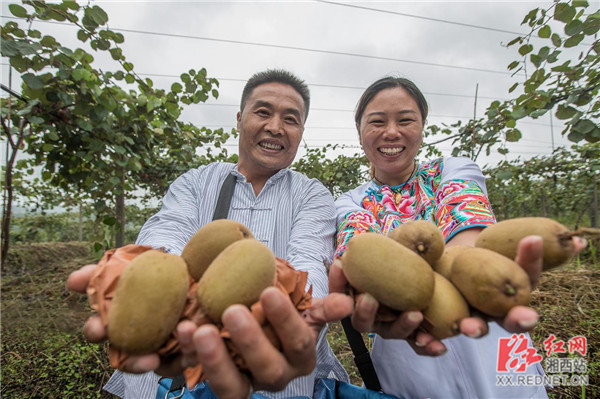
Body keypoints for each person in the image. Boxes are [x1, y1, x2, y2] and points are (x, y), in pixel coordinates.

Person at [67, 69, 355, 399]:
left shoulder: (312, 195)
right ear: (239, 119)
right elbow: (167, 233)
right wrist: (152, 280)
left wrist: (298, 314)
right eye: (263, 112)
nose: (275, 127)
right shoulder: (195, 182)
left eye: (291, 119)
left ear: (301, 131)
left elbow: (310, 262)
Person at [328, 76, 587, 398]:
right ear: (360, 132)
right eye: (377, 122)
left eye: (405, 120)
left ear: (422, 128)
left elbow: (469, 233)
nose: (391, 132)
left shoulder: (453, 169)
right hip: (408, 342)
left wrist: (416, 280)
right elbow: (361, 251)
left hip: (488, 329)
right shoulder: (348, 201)